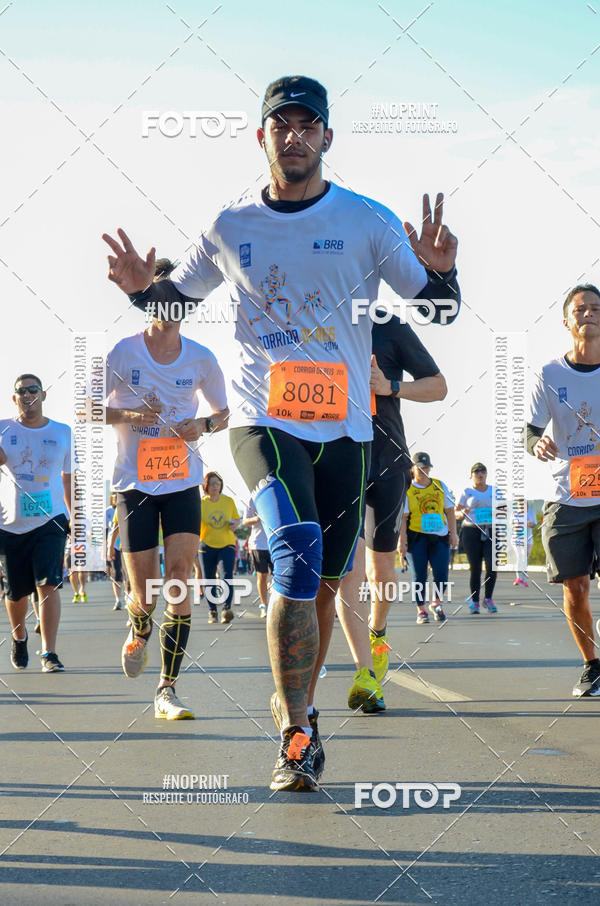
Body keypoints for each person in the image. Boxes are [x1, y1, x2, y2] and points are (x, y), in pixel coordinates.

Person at [103, 74, 459, 790]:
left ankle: (304, 707)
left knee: (324, 586)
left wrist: (446, 273)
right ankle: (295, 736)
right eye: (281, 125)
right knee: (294, 551)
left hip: (347, 430)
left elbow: (440, 310)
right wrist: (142, 290)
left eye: (307, 125)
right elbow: (176, 299)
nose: (294, 136)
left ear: (327, 136)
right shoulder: (231, 225)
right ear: (260, 136)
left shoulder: (367, 219)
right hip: (263, 420)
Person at [98, 261, 229, 720]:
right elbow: (87, 408)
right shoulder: (123, 353)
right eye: (160, 298)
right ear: (147, 302)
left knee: (177, 579)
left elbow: (223, 413)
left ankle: (166, 689)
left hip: (182, 481)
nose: (170, 307)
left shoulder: (202, 358)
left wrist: (203, 425)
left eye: (178, 300)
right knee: (145, 593)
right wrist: (133, 416)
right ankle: (139, 627)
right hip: (134, 484)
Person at [338, 316, 448, 711]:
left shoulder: (389, 327)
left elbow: (438, 387)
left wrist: (391, 387)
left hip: (387, 461)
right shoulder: (318, 320)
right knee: (349, 568)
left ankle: (378, 631)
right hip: (339, 458)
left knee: (381, 571)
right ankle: (364, 673)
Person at [527, 284, 600, 697]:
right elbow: (530, 431)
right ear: (566, 321)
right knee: (575, 587)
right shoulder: (550, 374)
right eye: (580, 309)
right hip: (567, 494)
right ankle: (592, 665)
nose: (588, 314)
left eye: (595, 308)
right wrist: (536, 444)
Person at [0, 374, 71, 672]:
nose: (28, 394)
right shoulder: (3, 429)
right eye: (22, 391)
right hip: (10, 523)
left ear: (43, 395)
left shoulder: (63, 432)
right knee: (16, 593)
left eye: (33, 390)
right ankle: (20, 637)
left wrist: (75, 517)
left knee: (49, 584)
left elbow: (68, 478)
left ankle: (49, 653)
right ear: (14, 398)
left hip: (51, 518)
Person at [399, 452, 458, 624]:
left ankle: (436, 603)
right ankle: (421, 609)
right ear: (412, 469)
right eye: (420, 468)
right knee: (420, 576)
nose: (424, 471)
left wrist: (453, 533)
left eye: (426, 468)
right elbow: (403, 518)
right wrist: (402, 541)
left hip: (439, 537)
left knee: (441, 573)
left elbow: (450, 510)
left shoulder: (439, 485)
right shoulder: (408, 489)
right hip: (417, 537)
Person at [199, 471, 241, 624]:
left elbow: (237, 519)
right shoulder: (201, 503)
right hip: (206, 545)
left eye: (218, 483)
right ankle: (212, 611)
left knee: (226, 575)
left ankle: (226, 609)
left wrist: (235, 524)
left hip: (227, 544)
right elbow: (194, 524)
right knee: (208, 579)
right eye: (212, 483)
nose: (215, 486)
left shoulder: (228, 501)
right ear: (206, 486)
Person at [456, 463, 498, 614]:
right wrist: (463, 512)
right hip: (471, 531)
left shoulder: (494, 491)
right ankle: (475, 602)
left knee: (492, 565)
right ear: (471, 475)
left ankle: (488, 598)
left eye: (483, 471)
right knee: (475, 568)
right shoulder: (467, 492)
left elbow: (504, 509)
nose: (480, 474)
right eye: (476, 472)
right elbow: (456, 513)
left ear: (486, 474)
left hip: (491, 530)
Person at [243, 491, 273, 618]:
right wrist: (257, 518)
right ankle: (264, 605)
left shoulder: (276, 493)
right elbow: (245, 521)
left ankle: (272, 589)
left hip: (275, 542)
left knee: (280, 576)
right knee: (262, 575)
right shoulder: (252, 498)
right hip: (258, 544)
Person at [513, 505, 536, 587]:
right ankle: (518, 578)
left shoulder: (531, 512)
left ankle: (524, 579)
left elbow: (534, 524)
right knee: (519, 557)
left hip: (528, 539)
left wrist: (530, 524)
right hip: (517, 538)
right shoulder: (514, 513)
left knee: (525, 559)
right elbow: (512, 526)